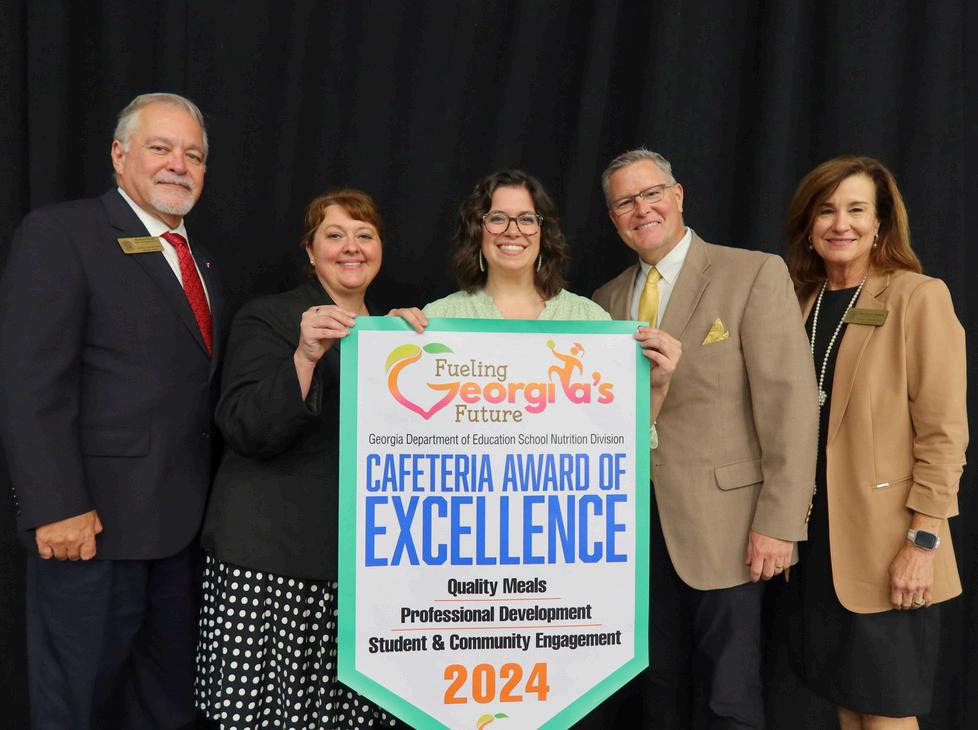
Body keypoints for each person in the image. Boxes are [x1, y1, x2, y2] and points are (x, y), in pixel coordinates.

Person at [0, 93, 221, 729]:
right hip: (89, 530)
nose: (178, 164)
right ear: (120, 156)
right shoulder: (62, 235)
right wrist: (55, 504)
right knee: (75, 708)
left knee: (163, 709)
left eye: (193, 155)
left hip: (180, 534)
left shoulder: (201, 260)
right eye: (161, 148)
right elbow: (30, 382)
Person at [589, 148, 819, 728]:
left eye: (651, 194)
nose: (641, 209)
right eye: (625, 202)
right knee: (657, 689)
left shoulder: (752, 273)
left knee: (728, 695)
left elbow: (790, 404)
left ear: (678, 195)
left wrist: (780, 521)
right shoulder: (603, 302)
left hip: (730, 529)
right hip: (634, 534)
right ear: (613, 218)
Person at [195, 189, 403, 729]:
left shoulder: (396, 333)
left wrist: (415, 348)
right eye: (334, 235)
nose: (351, 247)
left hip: (360, 570)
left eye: (364, 235)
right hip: (273, 568)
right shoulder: (270, 317)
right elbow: (246, 428)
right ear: (310, 251)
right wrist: (305, 355)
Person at [782, 156, 967, 728]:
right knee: (847, 705)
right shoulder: (801, 303)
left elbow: (944, 433)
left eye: (857, 210)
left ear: (881, 223)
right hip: (818, 547)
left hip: (891, 547)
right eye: (826, 211)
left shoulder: (917, 296)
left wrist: (922, 543)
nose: (841, 224)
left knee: (885, 711)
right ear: (809, 226)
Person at [394, 168, 681, 427]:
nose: (513, 231)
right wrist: (385, 340)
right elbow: (403, 430)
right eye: (497, 218)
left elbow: (619, 437)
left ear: (543, 233)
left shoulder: (588, 319)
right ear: (478, 231)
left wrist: (656, 388)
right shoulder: (439, 318)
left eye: (526, 219)